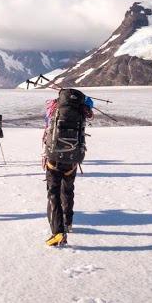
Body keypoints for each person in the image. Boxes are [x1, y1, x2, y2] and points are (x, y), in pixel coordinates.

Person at [42, 90, 94, 246]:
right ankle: (68, 222)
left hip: (54, 156)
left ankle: (58, 232)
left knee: (53, 193)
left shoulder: (55, 106)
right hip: (73, 157)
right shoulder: (82, 110)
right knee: (68, 189)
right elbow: (90, 109)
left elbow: (47, 122)